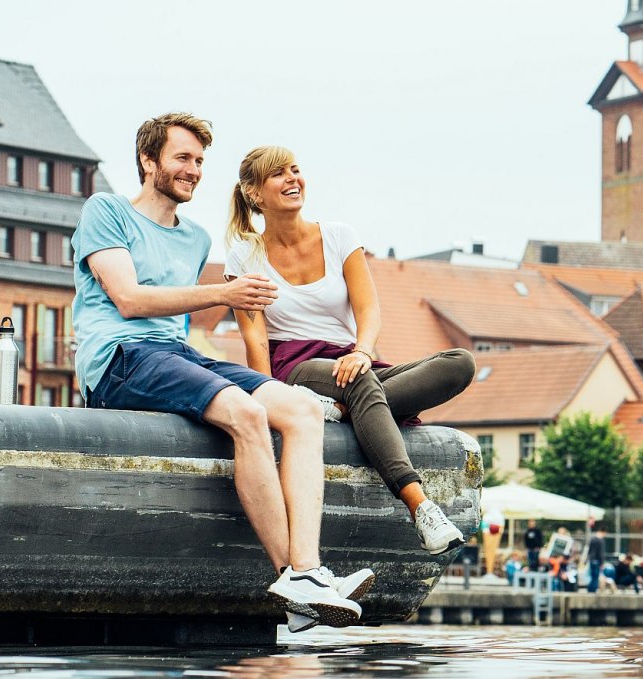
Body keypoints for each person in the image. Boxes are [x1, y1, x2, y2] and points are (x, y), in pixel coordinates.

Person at [73, 113, 364, 633]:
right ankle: (291, 575)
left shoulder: (196, 238)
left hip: (174, 353)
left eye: (200, 161)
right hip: (119, 357)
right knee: (246, 413)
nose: (193, 170)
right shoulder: (107, 210)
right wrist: (224, 293)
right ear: (148, 161)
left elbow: (175, 328)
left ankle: (310, 572)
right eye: (182, 158)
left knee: (300, 409)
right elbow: (131, 300)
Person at [224, 146, 476, 554]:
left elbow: (368, 308)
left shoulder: (340, 236)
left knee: (459, 363)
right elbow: (255, 343)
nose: (292, 179)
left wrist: (362, 350)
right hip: (297, 367)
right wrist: (274, 399)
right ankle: (421, 506)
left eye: (295, 170)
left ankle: (338, 410)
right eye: (278, 174)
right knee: (361, 382)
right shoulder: (244, 257)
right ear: (254, 193)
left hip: (353, 361)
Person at [586, 528, 609, 594]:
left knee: (593, 576)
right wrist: (602, 563)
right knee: (595, 577)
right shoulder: (600, 541)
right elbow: (601, 553)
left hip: (591, 560)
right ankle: (592, 590)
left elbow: (589, 551)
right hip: (597, 561)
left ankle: (590, 590)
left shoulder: (592, 539)